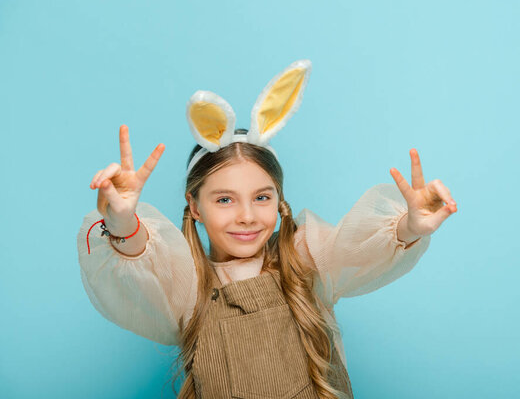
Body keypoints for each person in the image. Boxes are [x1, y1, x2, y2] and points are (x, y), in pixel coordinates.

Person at [76, 60, 457, 399]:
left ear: (279, 199)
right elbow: (140, 262)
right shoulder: (185, 286)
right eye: (224, 200)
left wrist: (410, 225)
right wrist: (123, 220)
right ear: (195, 207)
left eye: (261, 198)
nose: (247, 216)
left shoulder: (304, 258)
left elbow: (361, 249)